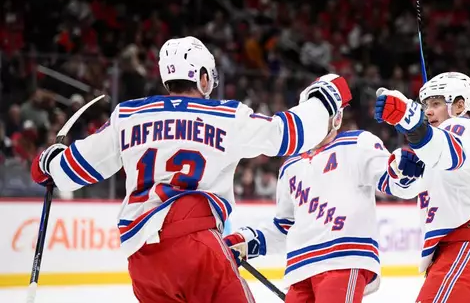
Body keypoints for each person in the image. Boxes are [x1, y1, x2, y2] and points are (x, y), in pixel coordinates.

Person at [30, 36, 352, 303]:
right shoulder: (225, 116)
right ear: (201, 76)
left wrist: (48, 162)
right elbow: (287, 134)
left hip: (143, 261)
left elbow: (71, 170)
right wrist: (326, 98)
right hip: (197, 246)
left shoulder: (128, 115)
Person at [223, 88, 424, 303]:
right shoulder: (290, 166)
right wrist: (248, 241)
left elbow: (397, 184)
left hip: (343, 259)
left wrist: (404, 172)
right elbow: (285, 227)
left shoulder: (358, 144)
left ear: (338, 117)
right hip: (299, 270)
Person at [374, 72, 470, 303]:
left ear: (459, 105)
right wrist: (401, 169)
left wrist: (410, 121)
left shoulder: (462, 127)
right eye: (425, 105)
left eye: (436, 103)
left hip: (467, 247)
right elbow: (404, 188)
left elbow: (446, 150)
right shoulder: (457, 142)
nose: (428, 111)